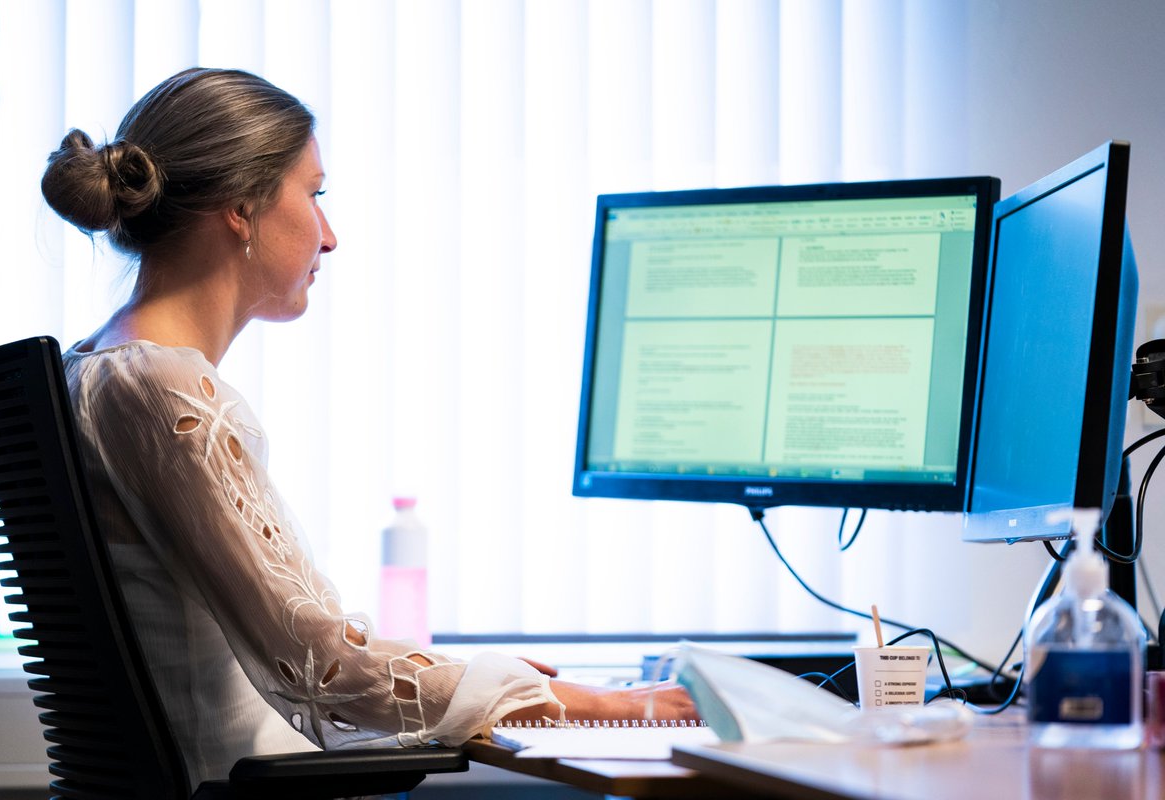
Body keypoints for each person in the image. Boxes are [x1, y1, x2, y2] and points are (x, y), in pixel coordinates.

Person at [39, 67, 696, 790]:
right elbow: (326, 667)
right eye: (314, 195)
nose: (329, 236)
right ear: (240, 207)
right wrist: (603, 704)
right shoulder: (160, 391)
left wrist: (492, 683)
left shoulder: (96, 370)